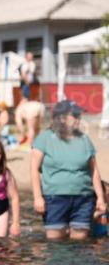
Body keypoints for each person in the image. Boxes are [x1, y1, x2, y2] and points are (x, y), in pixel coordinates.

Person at [30, 100, 106, 240]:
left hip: (83, 199)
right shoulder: (44, 139)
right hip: (54, 198)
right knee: (55, 243)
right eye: (75, 115)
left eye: (79, 115)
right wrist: (37, 197)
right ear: (61, 118)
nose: (79, 118)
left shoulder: (85, 139)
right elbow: (34, 169)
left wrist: (100, 198)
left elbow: (94, 170)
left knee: (79, 245)